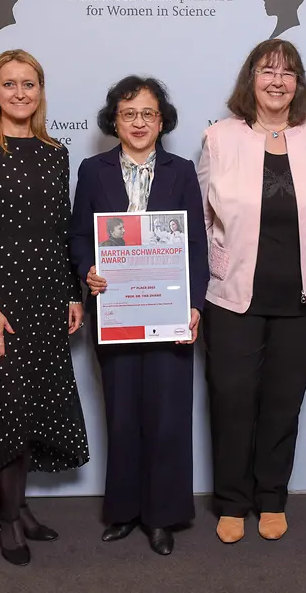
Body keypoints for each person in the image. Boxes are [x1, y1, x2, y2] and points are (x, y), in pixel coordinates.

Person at [197, 38, 306, 544]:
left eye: (288, 72)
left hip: (302, 298)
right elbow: (200, 222)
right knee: (232, 400)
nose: (277, 80)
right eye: (267, 70)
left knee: (284, 403)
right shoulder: (219, 138)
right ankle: (233, 501)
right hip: (232, 297)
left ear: (299, 83)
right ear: (251, 79)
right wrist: (195, 292)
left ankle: (271, 498)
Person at [0, 49, 90, 566]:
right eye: (8, 84)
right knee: (5, 410)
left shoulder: (56, 153)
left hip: (43, 299)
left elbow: (60, 232)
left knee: (32, 406)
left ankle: (22, 505)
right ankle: (7, 517)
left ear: (40, 91)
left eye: (28, 84)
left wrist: (69, 294)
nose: (19, 93)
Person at [68, 76, 208, 556]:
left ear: (162, 119)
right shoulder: (92, 170)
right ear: (115, 120)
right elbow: (79, 237)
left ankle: (163, 516)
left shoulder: (182, 170)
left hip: (169, 313)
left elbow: (196, 247)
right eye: (129, 114)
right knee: (123, 416)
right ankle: (125, 511)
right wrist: (88, 270)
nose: (139, 122)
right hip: (116, 313)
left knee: (168, 418)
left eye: (148, 113)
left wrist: (194, 305)